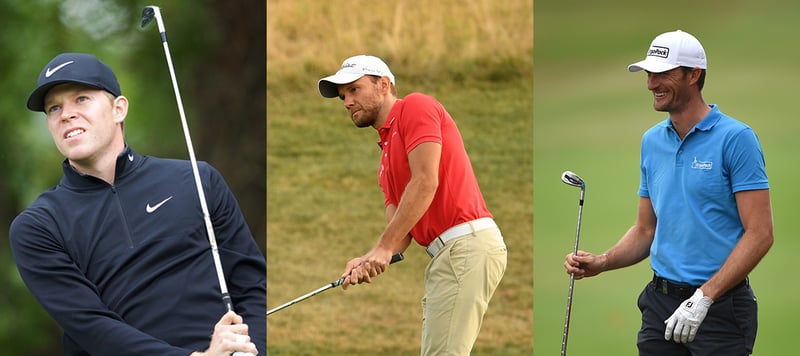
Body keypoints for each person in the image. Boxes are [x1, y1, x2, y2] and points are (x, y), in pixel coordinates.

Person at [9, 52, 266, 355]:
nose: (66, 114)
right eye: (54, 108)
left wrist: (254, 351)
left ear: (119, 109)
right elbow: (93, 328)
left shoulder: (197, 179)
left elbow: (252, 287)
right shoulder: (37, 226)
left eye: (81, 99)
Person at [563, 30, 773, 355]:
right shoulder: (652, 142)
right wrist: (603, 261)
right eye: (649, 74)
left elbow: (760, 233)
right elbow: (646, 229)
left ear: (694, 75)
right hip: (659, 305)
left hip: (720, 310)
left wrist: (704, 297)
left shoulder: (736, 139)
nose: (651, 84)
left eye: (662, 74)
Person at [317, 55, 508, 355]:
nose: (347, 102)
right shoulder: (384, 158)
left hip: (465, 246)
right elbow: (400, 234)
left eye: (354, 90)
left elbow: (425, 182)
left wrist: (383, 247)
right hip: (446, 256)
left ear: (383, 85)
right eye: (343, 96)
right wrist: (368, 258)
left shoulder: (415, 107)